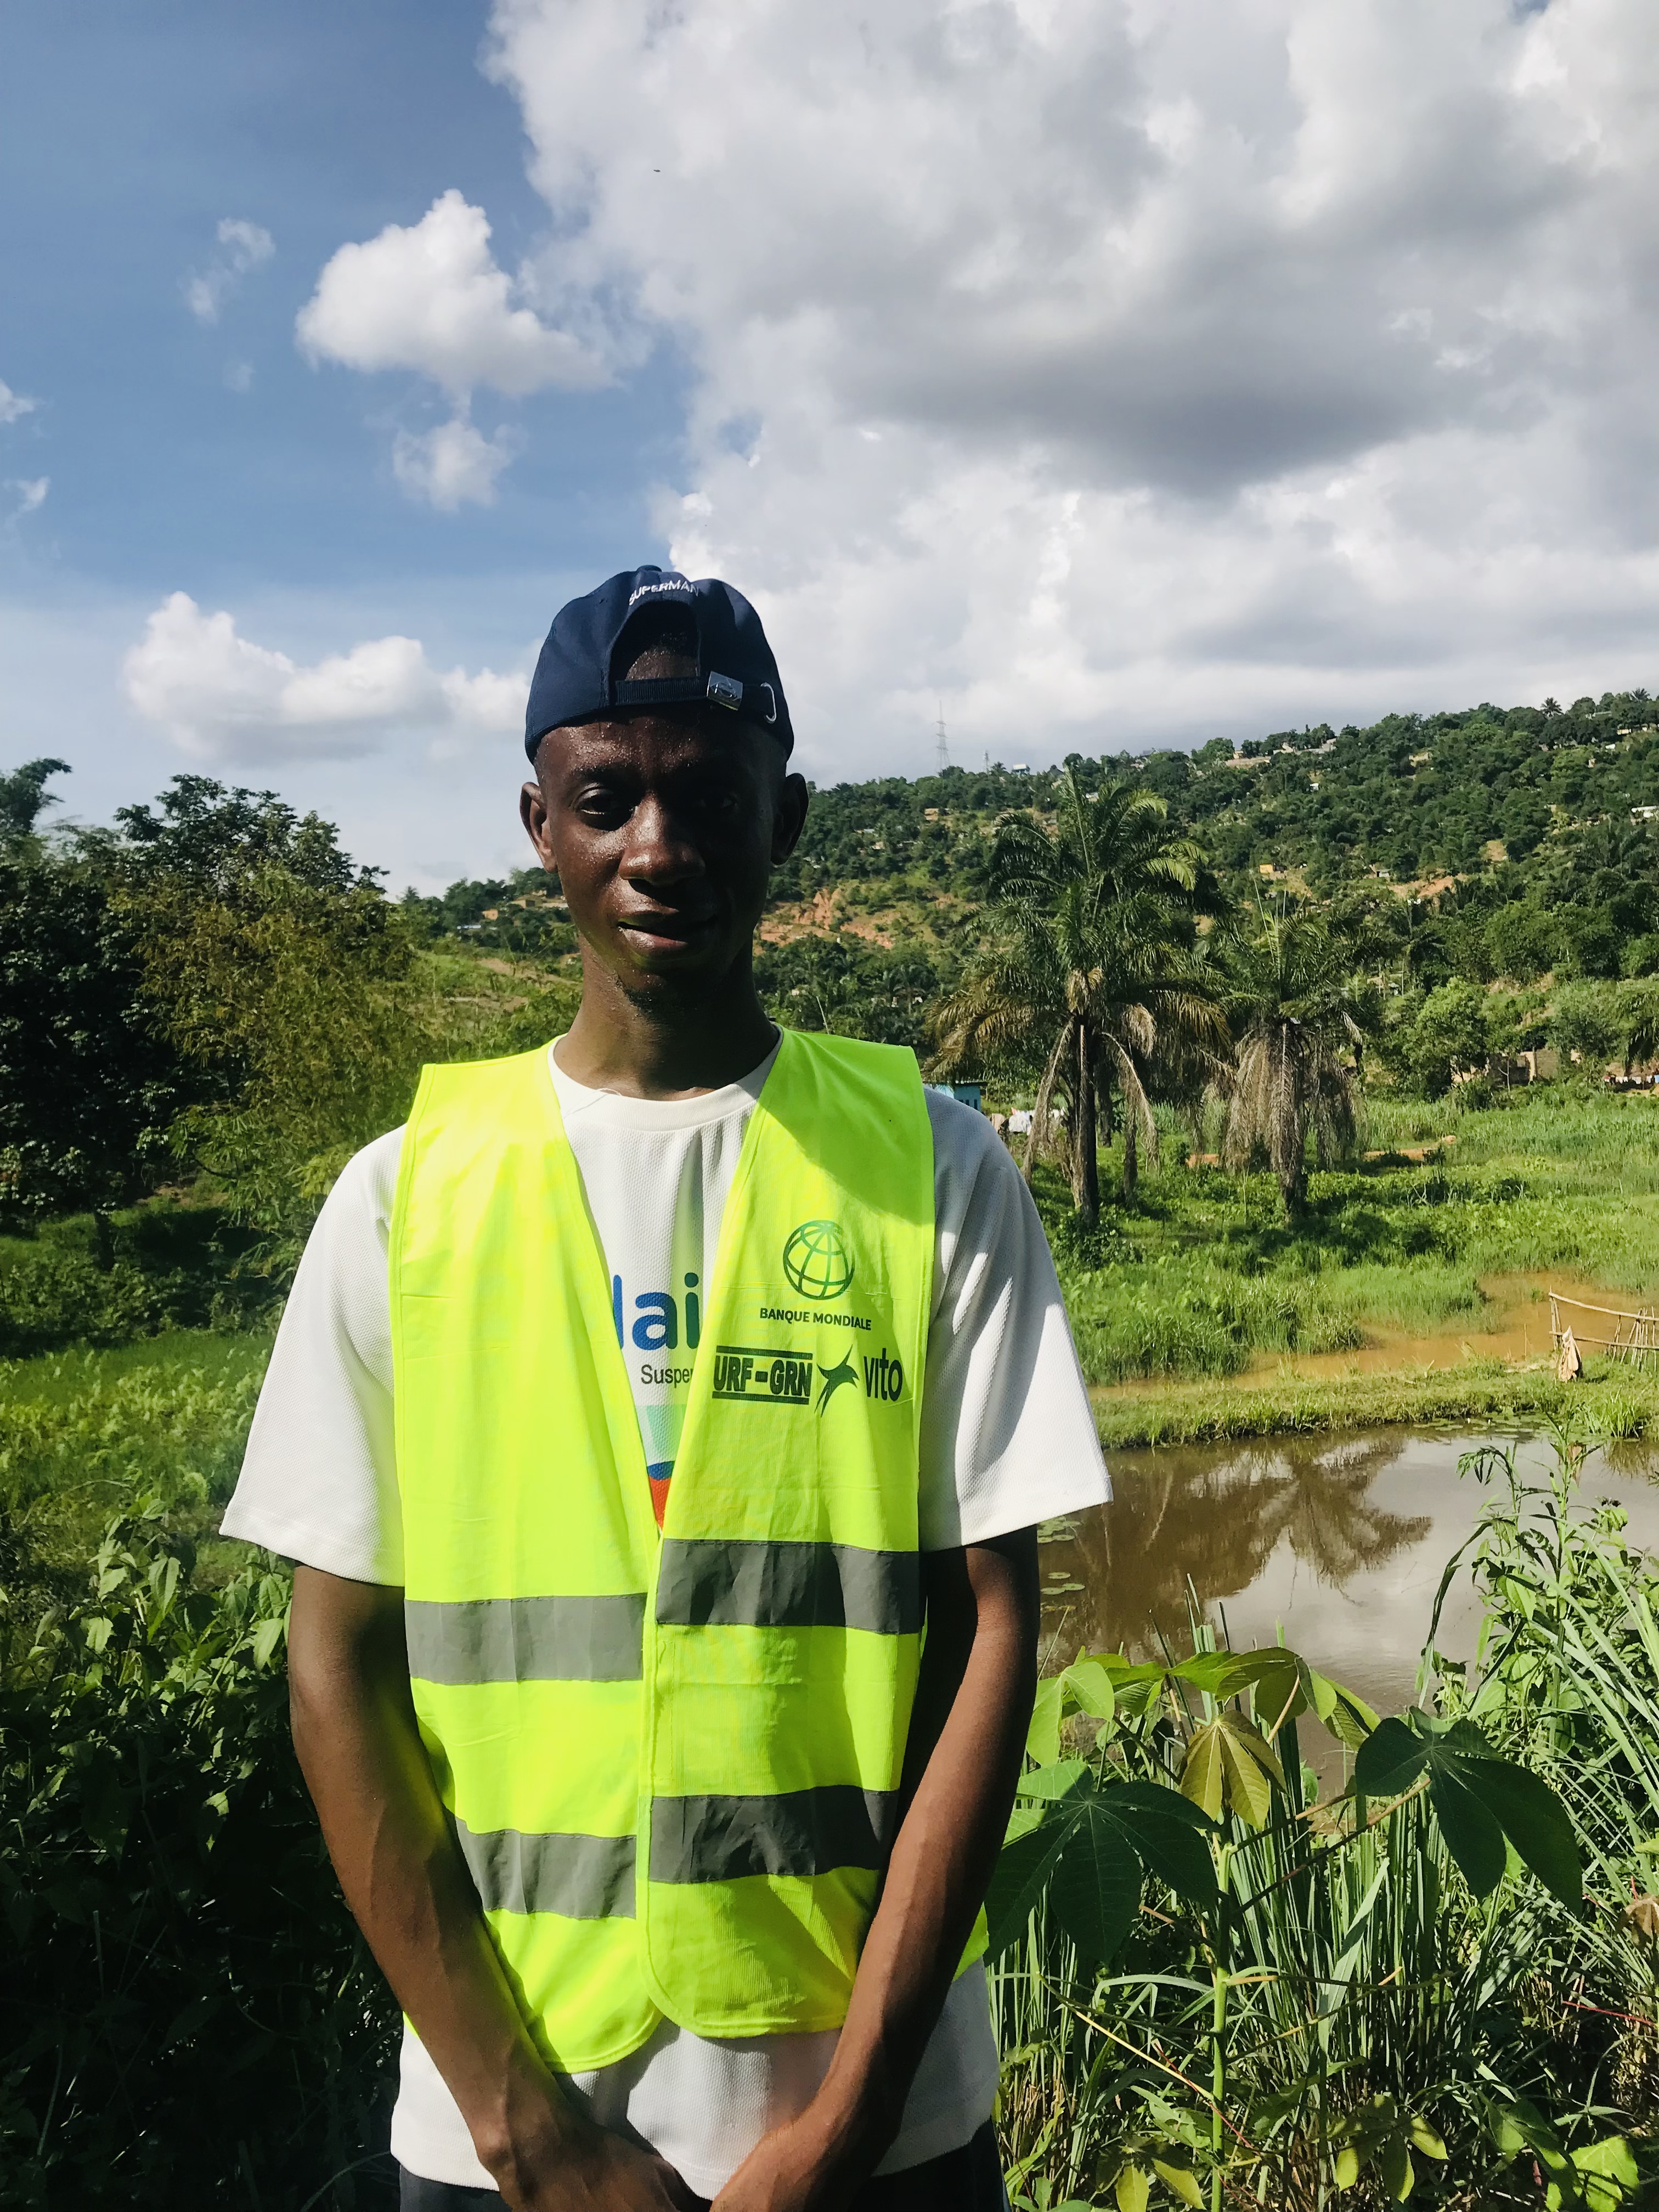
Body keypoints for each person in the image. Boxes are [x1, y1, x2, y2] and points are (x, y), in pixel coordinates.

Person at [222, 566, 1110, 2211]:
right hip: (505, 2130)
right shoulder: (406, 1199)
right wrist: (523, 2127)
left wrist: (847, 2126)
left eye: (707, 798)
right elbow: (333, 1668)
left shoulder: (931, 1170)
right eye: (605, 799)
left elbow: (995, 1630)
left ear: (789, 820)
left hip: (879, 2131)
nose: (659, 846)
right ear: (538, 825)